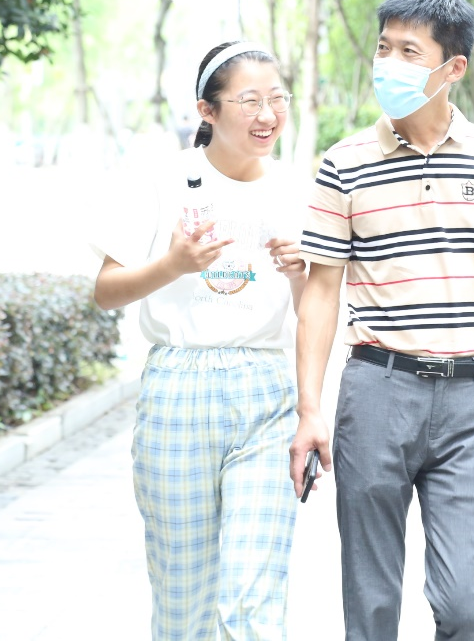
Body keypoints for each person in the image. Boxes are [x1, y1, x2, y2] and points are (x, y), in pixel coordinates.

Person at [289, 0, 474, 641]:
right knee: (371, 603)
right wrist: (310, 410)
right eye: (383, 48)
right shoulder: (344, 164)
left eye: (408, 52)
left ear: (453, 68)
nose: (388, 63)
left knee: (467, 606)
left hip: (473, 401)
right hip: (376, 391)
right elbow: (321, 294)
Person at [90, 41, 309, 641]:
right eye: (249, 101)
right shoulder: (161, 181)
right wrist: (174, 265)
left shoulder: (297, 189)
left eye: (277, 98)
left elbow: (314, 310)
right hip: (178, 387)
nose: (267, 114)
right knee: (183, 602)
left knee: (252, 603)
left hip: (267, 391)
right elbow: (106, 291)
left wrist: (300, 276)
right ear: (207, 111)